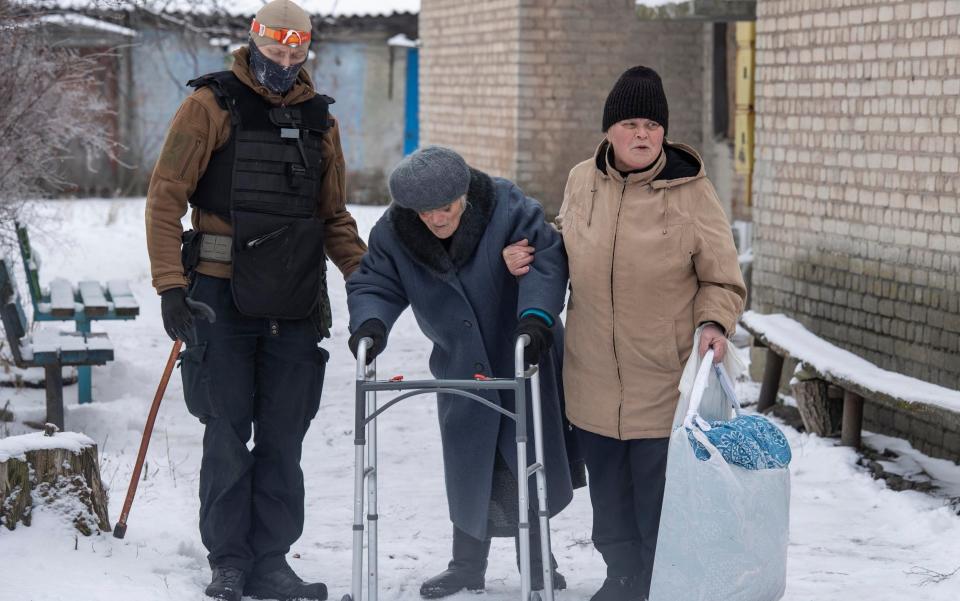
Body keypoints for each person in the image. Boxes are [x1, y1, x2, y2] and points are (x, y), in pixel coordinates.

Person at [144, 2, 366, 600]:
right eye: (276, 52)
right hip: (219, 294)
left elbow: (333, 215)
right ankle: (229, 561)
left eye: (297, 55)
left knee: (282, 435)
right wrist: (170, 287)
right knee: (225, 431)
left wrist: (368, 282)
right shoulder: (208, 106)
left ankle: (271, 560)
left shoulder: (320, 120)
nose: (285, 64)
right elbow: (165, 198)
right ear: (254, 43)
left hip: (294, 298)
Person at [503, 66, 747, 601]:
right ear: (609, 130)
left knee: (657, 494)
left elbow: (723, 278)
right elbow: (564, 247)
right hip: (592, 371)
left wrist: (713, 322)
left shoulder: (692, 192)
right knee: (609, 491)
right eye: (631, 123)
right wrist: (530, 252)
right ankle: (621, 575)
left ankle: (659, 581)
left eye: (653, 126)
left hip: (663, 376)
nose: (643, 135)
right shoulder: (580, 180)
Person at [346, 146, 581, 599]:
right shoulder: (396, 233)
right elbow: (374, 281)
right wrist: (371, 325)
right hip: (458, 361)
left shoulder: (507, 207)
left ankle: (536, 561)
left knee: (526, 456)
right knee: (470, 461)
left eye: (445, 208)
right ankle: (466, 566)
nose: (435, 219)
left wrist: (535, 318)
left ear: (464, 195)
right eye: (424, 212)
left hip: (519, 350)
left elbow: (547, 259)